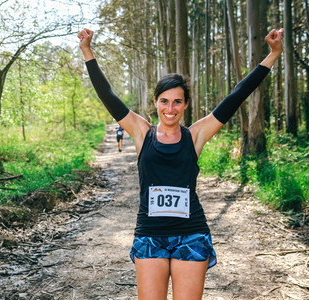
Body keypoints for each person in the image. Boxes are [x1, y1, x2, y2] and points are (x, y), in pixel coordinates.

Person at [78, 27, 283, 299]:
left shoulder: (195, 135)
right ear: (155, 102)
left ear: (186, 104)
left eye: (177, 102)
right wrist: (87, 51)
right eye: (164, 101)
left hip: (191, 233)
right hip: (150, 234)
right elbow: (109, 96)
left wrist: (273, 55)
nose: (170, 108)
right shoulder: (141, 132)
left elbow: (236, 96)